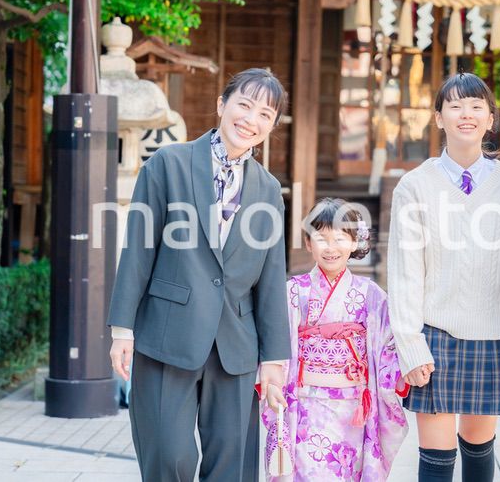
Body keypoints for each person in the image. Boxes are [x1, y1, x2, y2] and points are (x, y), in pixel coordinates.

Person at [107, 68, 291, 482]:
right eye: (244, 105)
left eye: (265, 114)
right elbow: (138, 250)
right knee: (168, 457)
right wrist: (122, 330)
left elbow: (271, 278)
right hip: (167, 336)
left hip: (236, 346)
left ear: (272, 125)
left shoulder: (268, 190)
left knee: (231, 466)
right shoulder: (168, 165)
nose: (251, 120)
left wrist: (274, 359)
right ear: (222, 105)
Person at [388, 72, 500, 482]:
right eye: (455, 105)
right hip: (434, 334)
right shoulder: (414, 186)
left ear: (490, 119)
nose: (466, 114)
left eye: (477, 106)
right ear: (438, 118)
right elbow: (405, 272)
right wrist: (409, 345)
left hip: (492, 332)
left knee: (479, 450)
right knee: (436, 456)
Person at [261, 198, 409, 481]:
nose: (331, 247)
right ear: (308, 243)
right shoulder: (293, 291)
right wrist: (274, 382)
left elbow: (388, 345)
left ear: (354, 242)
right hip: (304, 404)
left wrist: (406, 367)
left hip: (352, 408)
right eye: (322, 238)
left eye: (340, 238)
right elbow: (275, 339)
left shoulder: (370, 294)